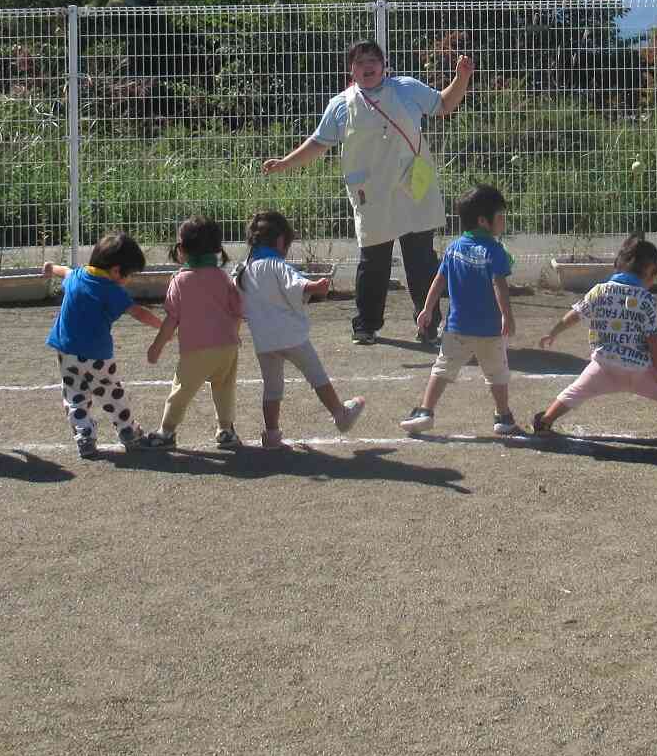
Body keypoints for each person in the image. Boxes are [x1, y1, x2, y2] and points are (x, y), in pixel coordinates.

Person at [262, 40, 477, 346]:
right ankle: (366, 325)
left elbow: (444, 105)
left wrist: (462, 78)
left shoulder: (406, 88)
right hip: (371, 193)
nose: (367, 66)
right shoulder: (340, 104)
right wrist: (286, 162)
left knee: (422, 262)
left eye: (373, 60)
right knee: (373, 262)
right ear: (351, 69)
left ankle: (428, 323)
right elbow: (319, 142)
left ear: (384, 64)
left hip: (413, 187)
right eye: (360, 61)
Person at [531, 234, 657, 441]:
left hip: (604, 365)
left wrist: (554, 331)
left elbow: (576, 314)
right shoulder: (646, 299)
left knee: (575, 392)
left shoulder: (599, 291)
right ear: (650, 272)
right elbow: (653, 337)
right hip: (640, 369)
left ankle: (545, 421)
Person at [237, 209, 367, 449]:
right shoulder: (276, 265)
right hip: (292, 337)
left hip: (263, 341)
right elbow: (297, 284)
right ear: (279, 241)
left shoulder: (244, 269)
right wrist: (317, 285)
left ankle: (272, 435)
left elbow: (236, 302)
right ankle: (340, 414)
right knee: (317, 376)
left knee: (272, 386)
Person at [400, 185, 520, 437]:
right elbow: (500, 286)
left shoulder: (453, 248)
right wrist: (507, 316)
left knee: (442, 369)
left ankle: (425, 412)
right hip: (490, 330)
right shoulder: (494, 251)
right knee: (497, 373)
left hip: (457, 329)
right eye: (500, 217)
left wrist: (426, 309)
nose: (504, 221)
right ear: (483, 221)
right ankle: (503, 417)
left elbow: (438, 281)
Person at [42, 231, 168, 460]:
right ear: (116, 270)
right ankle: (129, 432)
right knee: (111, 393)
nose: (128, 280)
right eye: (128, 274)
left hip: (66, 351)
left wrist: (50, 268)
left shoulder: (78, 275)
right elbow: (138, 312)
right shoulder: (111, 290)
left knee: (75, 395)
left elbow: (64, 272)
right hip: (97, 356)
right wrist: (163, 327)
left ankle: (84, 437)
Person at [142, 216, 245, 450]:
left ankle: (166, 432)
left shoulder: (180, 280)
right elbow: (237, 312)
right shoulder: (224, 277)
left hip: (196, 350)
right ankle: (226, 430)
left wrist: (156, 347)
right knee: (224, 387)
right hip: (228, 347)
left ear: (182, 249)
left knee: (181, 390)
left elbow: (172, 320)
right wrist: (231, 336)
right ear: (217, 249)